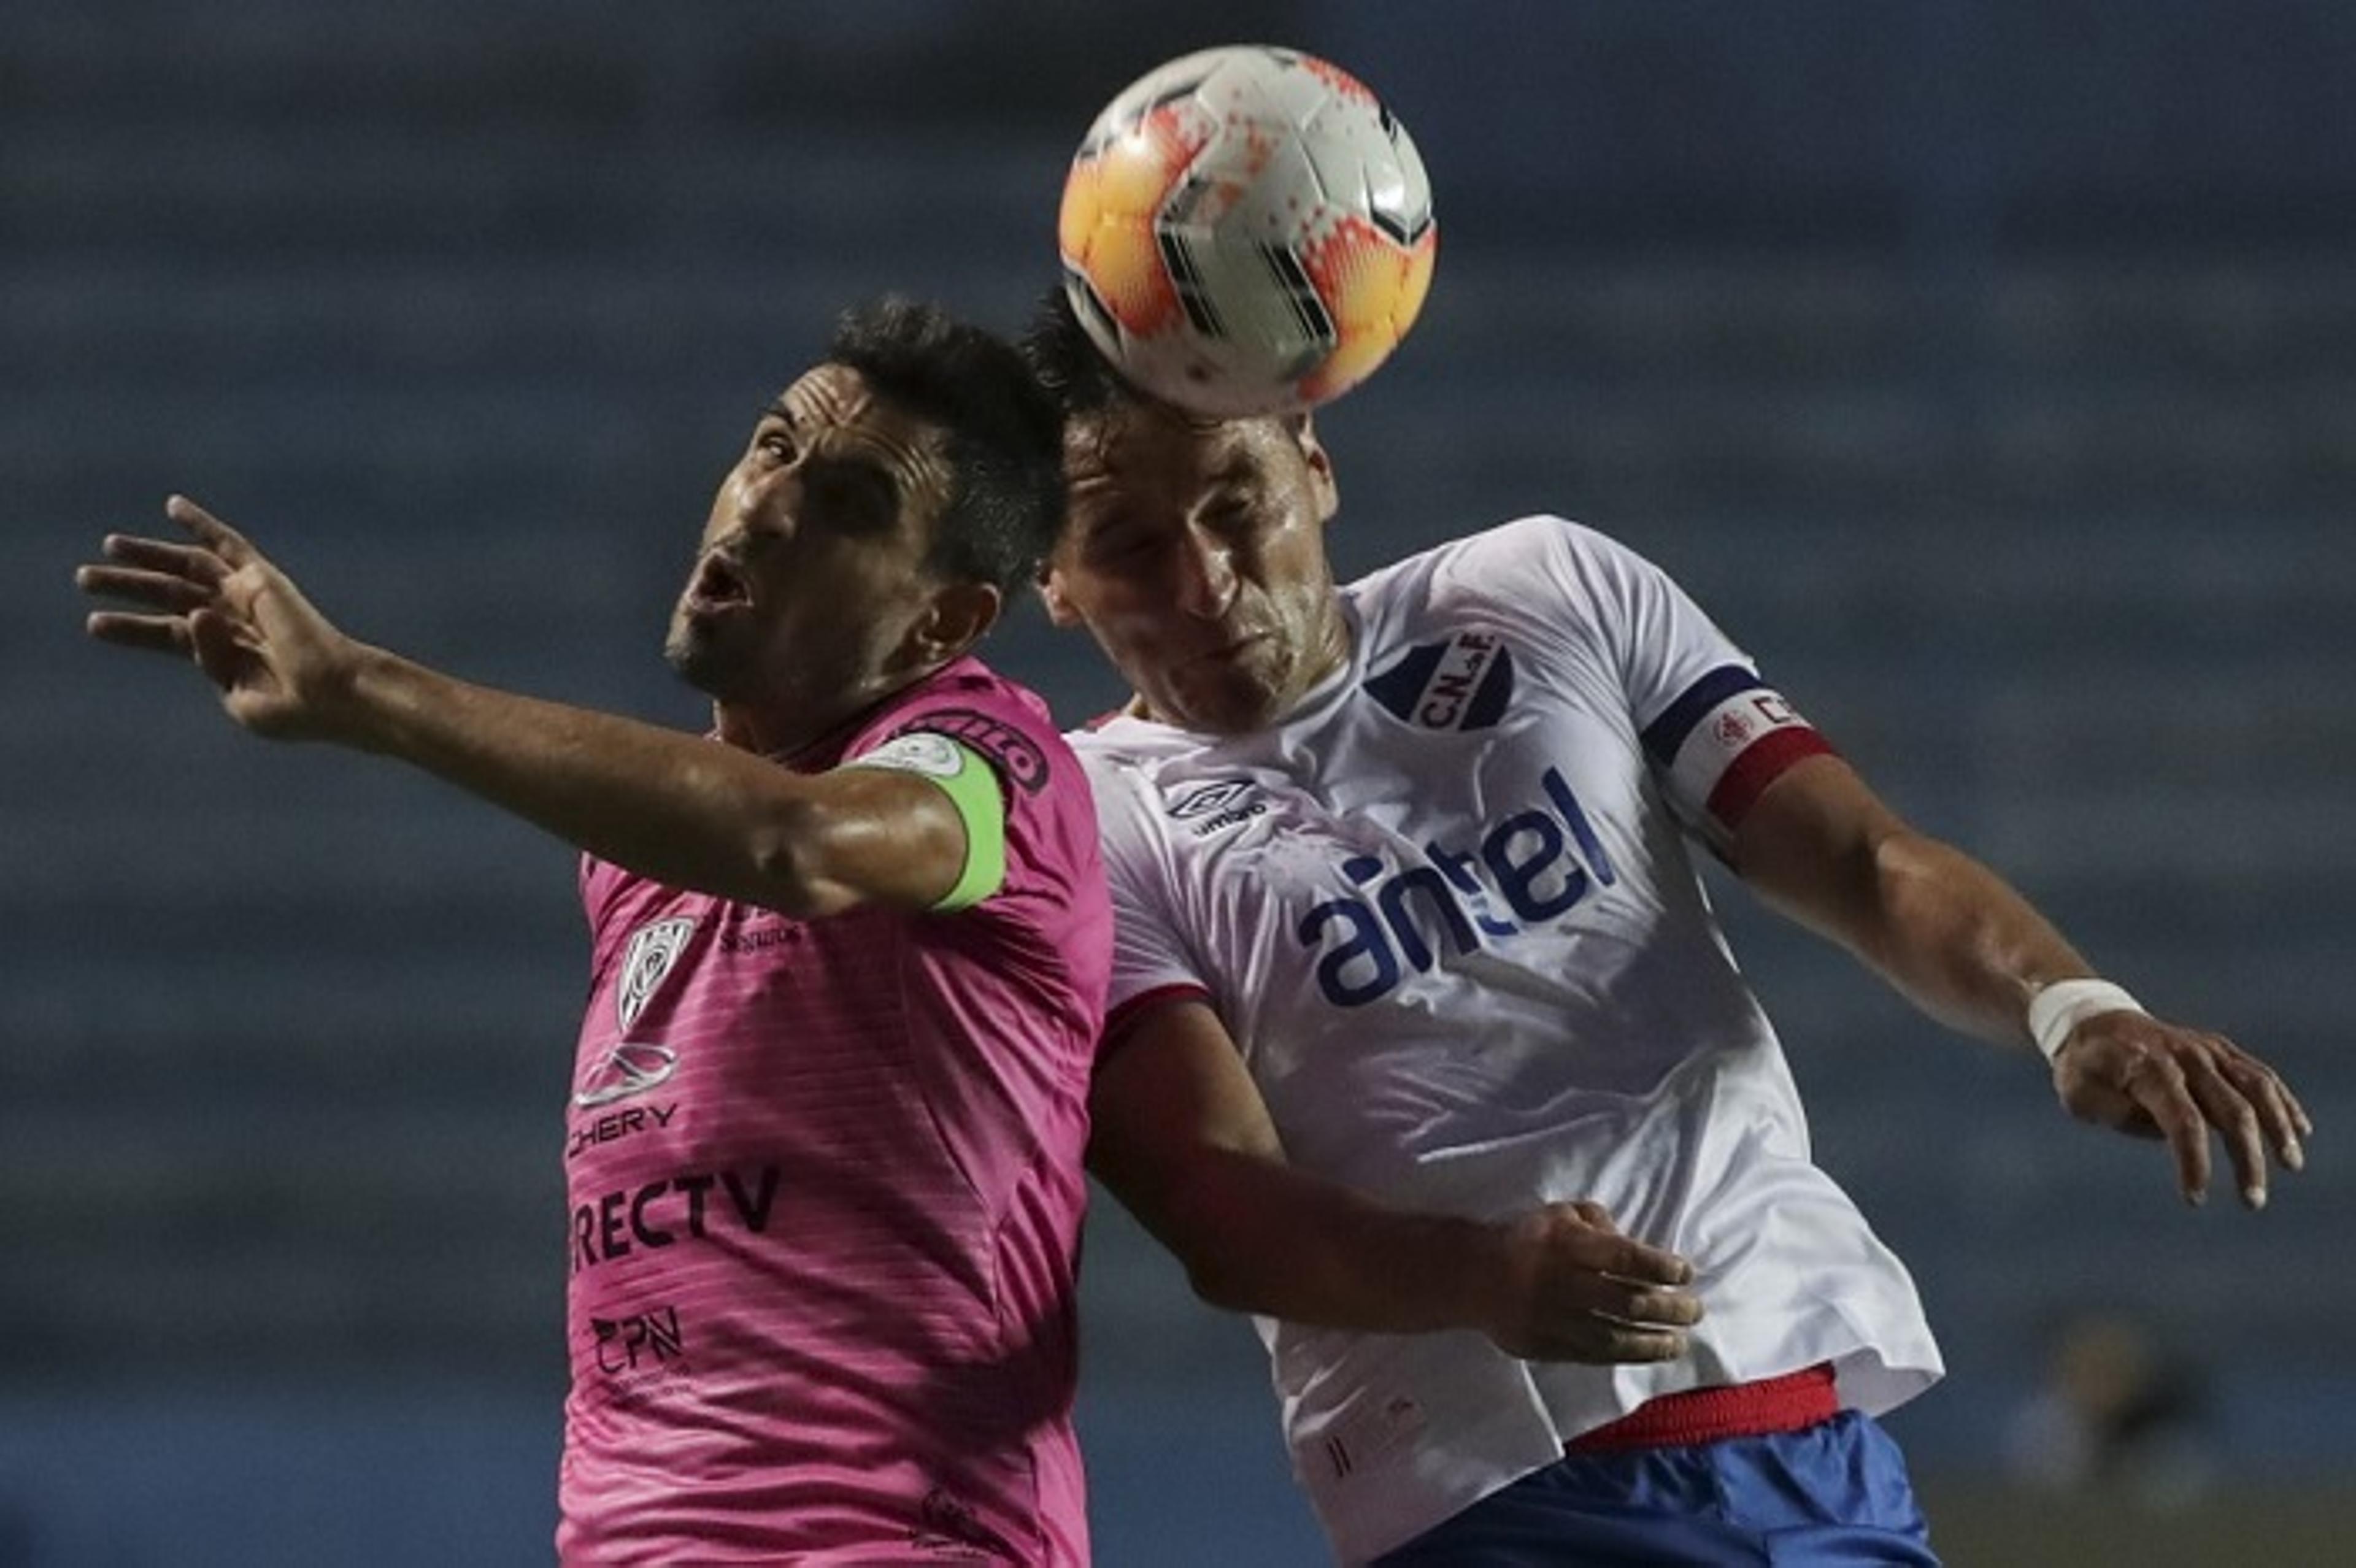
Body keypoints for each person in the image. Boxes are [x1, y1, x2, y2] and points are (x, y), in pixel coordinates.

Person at [1021, 294, 2312, 1567]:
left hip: (1805, 1442)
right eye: (1128, 544)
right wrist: (1481, 1281)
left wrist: (2071, 1006)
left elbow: (1859, 860)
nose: (1204, 582)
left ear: (1314, 464)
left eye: (1236, 507)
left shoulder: (1544, 588)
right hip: (1493, 1495)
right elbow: (1217, 1201)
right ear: (1053, 580)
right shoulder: (1089, 821)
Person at [76, 298, 1111, 1566]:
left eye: (849, 506)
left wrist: (366, 692)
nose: (765, 507)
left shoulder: (991, 763)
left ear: (943, 622)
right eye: (774, 446)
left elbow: (806, 845)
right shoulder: (644, 850)